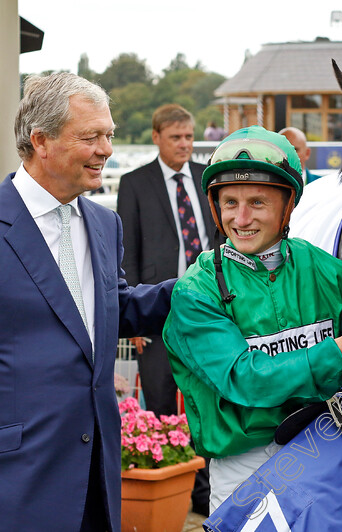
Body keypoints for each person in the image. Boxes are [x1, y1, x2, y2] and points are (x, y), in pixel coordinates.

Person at [0, 72, 175, 531]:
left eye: (109, 135)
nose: (107, 150)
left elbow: (111, 309)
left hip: (94, 484)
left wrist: (197, 287)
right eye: (91, 137)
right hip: (3, 492)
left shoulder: (104, 223)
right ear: (41, 140)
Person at [162, 125, 342, 512]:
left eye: (257, 202)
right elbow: (246, 380)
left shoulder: (333, 273)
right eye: (229, 203)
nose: (241, 219)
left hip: (330, 451)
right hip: (244, 464)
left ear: (288, 205)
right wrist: (337, 351)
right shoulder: (196, 292)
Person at [117, 103, 215, 515]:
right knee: (158, 400)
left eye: (189, 137)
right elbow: (126, 253)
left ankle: (204, 496)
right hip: (155, 315)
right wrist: (132, 317)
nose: (185, 145)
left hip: (208, 312)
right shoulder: (134, 183)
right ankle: (166, 489)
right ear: (157, 137)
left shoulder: (206, 177)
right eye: (176, 138)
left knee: (208, 400)